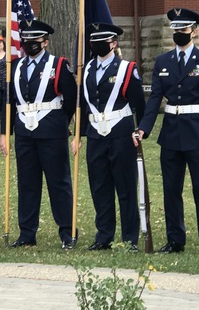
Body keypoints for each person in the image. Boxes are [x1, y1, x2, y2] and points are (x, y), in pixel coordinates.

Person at [133, 7, 199, 256]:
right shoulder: (163, 62)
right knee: (171, 189)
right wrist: (143, 129)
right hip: (171, 132)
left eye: (183, 29)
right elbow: (155, 100)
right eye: (175, 29)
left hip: (197, 131)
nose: (178, 33)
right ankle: (175, 240)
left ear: (194, 32)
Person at [0, 19, 78, 250]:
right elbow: (9, 102)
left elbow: (71, 99)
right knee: (27, 184)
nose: (29, 43)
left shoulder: (59, 65)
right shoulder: (14, 67)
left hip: (52, 131)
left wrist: (60, 122)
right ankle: (26, 233)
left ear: (44, 42)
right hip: (24, 132)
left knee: (59, 183)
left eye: (34, 40)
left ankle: (68, 233)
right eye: (26, 39)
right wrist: (6, 133)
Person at [72, 23, 145, 252]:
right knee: (100, 187)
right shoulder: (86, 69)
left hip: (121, 133)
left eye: (103, 41)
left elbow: (139, 103)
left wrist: (140, 129)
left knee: (125, 187)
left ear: (114, 43)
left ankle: (129, 237)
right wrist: (79, 134)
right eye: (94, 41)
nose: (97, 45)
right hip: (95, 134)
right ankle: (104, 235)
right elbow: (83, 105)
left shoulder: (126, 68)